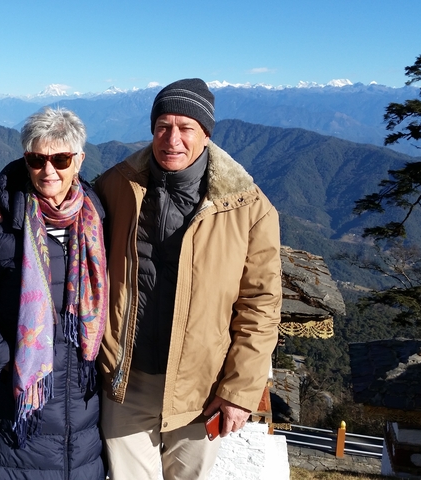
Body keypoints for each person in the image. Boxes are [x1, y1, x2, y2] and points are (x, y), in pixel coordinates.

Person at [94, 78, 282, 480]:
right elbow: (58, 194)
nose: (172, 139)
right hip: (127, 379)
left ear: (207, 134)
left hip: (203, 387)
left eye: (186, 128)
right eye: (163, 126)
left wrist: (238, 391)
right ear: (151, 129)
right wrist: (6, 204)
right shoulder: (118, 186)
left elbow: (261, 307)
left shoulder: (249, 209)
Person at [0, 107, 107, 479]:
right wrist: (4, 360)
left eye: (61, 159)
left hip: (81, 419)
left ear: (79, 161)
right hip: (13, 412)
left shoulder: (98, 224)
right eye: (37, 159)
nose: (48, 170)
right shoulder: (4, 230)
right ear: (26, 160)